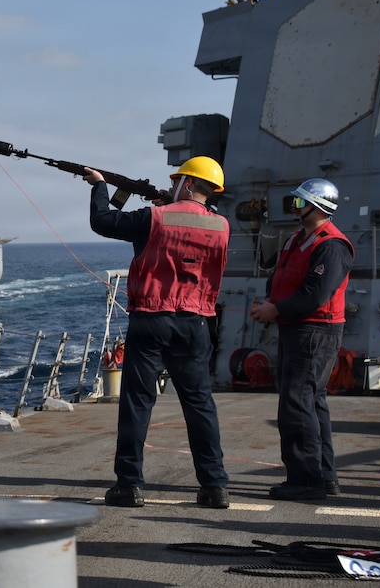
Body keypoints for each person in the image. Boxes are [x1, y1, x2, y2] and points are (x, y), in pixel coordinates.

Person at [82, 157, 231, 509]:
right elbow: (186, 237)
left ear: (189, 183)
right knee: (200, 405)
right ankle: (214, 486)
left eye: (179, 180)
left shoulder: (156, 218)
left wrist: (100, 186)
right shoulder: (222, 226)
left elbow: (103, 222)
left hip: (151, 318)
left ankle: (129, 485)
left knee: (137, 403)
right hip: (195, 322)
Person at [250, 178, 353, 501]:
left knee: (296, 404)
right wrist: (270, 304)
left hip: (314, 332)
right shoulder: (298, 239)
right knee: (311, 401)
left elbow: (316, 295)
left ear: (317, 207)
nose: (293, 208)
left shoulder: (332, 246)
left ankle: (306, 479)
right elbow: (279, 276)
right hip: (297, 328)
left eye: (298, 203)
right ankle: (324, 476)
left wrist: (276, 310)